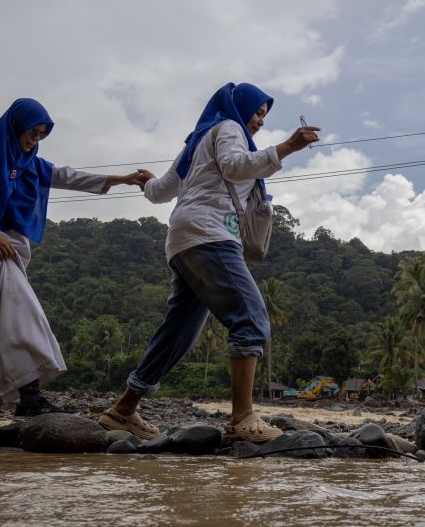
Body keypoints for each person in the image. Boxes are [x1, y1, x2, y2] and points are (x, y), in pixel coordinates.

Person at [98, 82, 319, 443]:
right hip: (210, 235)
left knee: (178, 333)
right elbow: (235, 166)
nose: (260, 121)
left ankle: (122, 411)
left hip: (183, 240)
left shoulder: (197, 140)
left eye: (264, 115)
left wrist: (147, 182)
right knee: (250, 318)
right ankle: (242, 418)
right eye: (257, 112)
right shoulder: (229, 128)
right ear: (238, 107)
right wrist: (288, 147)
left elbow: (159, 192)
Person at [0, 98, 140, 433]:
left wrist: (121, 179)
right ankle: (30, 397)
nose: (34, 139)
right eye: (31, 132)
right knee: (25, 317)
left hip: (3, 254)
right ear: (15, 126)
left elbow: (67, 176)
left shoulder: (31, 164)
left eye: (40, 135)